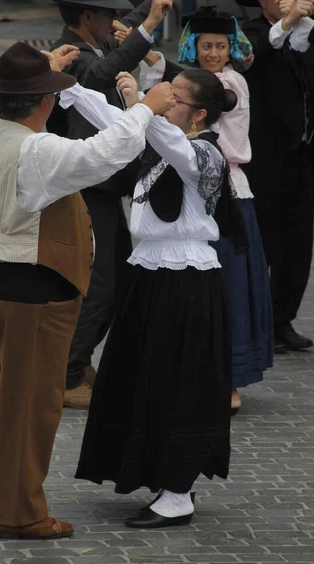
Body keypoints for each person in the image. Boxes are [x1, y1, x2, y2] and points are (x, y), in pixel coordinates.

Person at [0, 40, 175, 540]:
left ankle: (3, 498)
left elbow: (30, 120)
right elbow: (104, 153)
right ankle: (20, 515)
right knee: (34, 407)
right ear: (43, 103)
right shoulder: (38, 150)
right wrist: (146, 108)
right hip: (29, 298)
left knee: (17, 402)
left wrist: (47, 73)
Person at [60, 68, 236, 529]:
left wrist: (142, 102)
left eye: (174, 98)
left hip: (187, 281)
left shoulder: (203, 152)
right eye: (167, 93)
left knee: (179, 382)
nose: (165, 101)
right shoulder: (158, 143)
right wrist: (69, 87)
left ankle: (177, 493)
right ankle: (163, 477)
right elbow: (120, 123)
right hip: (148, 274)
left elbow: (155, 128)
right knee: (142, 379)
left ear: (198, 114)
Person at [40, 0, 183, 409]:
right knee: (102, 286)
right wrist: (152, 23)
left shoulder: (93, 40)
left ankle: (76, 363)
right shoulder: (75, 54)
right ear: (86, 16)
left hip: (102, 188)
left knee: (120, 279)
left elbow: (121, 37)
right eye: (105, 14)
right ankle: (66, 374)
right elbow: (103, 72)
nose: (112, 22)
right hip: (85, 191)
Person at [175, 6, 273, 413]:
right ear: (193, 47)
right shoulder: (184, 81)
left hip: (228, 197)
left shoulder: (232, 84)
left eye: (220, 45)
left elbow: (220, 109)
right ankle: (193, 375)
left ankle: (230, 378)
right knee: (191, 289)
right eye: (206, 45)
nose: (213, 53)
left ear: (231, 47)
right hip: (189, 196)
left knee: (228, 288)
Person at [235, 0, 314, 353]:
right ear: (264, 1)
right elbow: (249, 60)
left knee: (298, 245)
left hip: (302, 155)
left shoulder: (307, 35)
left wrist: (299, 26)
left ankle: (283, 320)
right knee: (263, 243)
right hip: (262, 159)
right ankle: (256, 323)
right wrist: (284, 24)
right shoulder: (251, 33)